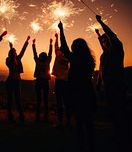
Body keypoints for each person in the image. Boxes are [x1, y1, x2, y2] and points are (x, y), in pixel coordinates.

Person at [58, 21, 96, 152]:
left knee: (79, 122)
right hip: (88, 92)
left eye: (74, 46)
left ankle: (82, 146)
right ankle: (91, 145)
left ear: (76, 48)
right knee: (89, 122)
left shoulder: (75, 59)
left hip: (77, 93)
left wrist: (61, 29)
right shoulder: (90, 60)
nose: (72, 48)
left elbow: (64, 46)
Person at [95, 14, 129, 151]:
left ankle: (123, 138)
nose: (104, 42)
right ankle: (118, 134)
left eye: (106, 40)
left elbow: (111, 36)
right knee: (114, 112)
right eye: (102, 41)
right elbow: (101, 68)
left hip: (117, 85)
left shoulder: (117, 48)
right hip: (108, 86)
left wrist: (101, 23)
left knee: (120, 111)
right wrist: (98, 81)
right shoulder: (105, 53)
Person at [5, 35, 30, 125]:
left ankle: (21, 116)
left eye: (15, 51)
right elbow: (10, 63)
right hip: (10, 80)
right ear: (11, 53)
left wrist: (27, 41)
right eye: (14, 52)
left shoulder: (18, 58)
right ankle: (10, 116)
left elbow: (23, 51)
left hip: (17, 81)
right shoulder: (8, 59)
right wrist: (11, 48)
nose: (15, 52)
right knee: (10, 99)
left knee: (18, 99)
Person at [52, 32, 72, 130]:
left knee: (59, 102)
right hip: (67, 82)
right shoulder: (69, 57)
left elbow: (56, 46)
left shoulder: (58, 53)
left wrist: (56, 37)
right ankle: (68, 122)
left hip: (59, 81)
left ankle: (60, 122)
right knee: (67, 102)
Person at [32, 38, 53, 123]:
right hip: (45, 82)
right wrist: (50, 44)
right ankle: (46, 116)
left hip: (39, 81)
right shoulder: (47, 62)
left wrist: (33, 44)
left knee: (39, 99)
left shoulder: (38, 62)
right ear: (46, 57)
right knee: (45, 99)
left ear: (40, 57)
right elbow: (50, 54)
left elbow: (34, 53)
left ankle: (37, 115)